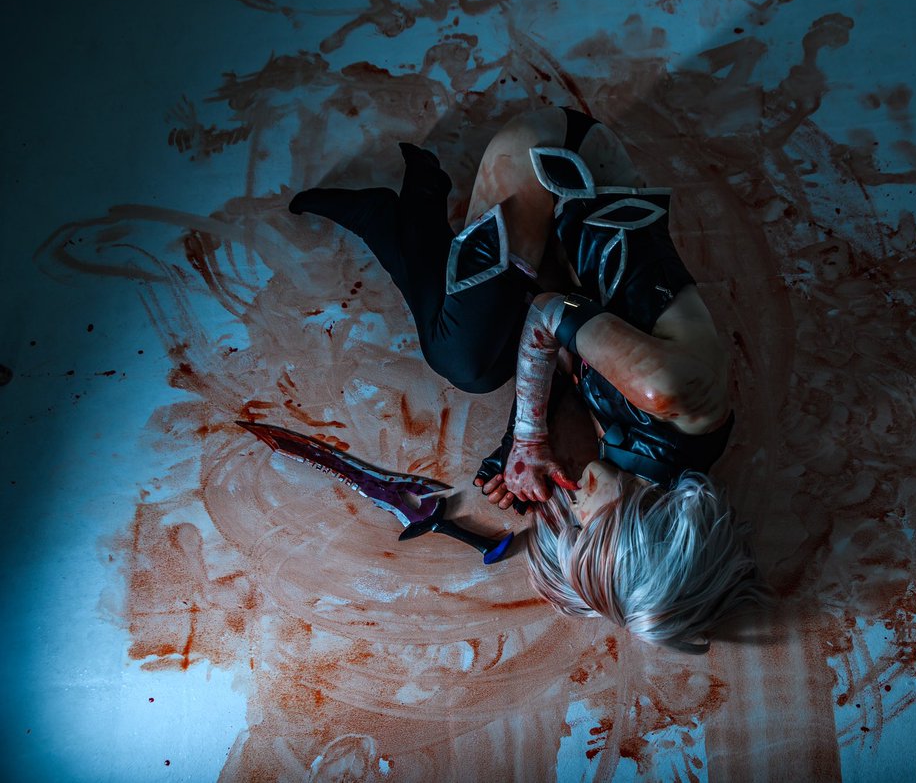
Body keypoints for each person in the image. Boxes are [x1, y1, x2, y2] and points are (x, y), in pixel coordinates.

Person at [289, 107, 768, 652]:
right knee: (461, 357)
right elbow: (547, 314)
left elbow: (567, 362)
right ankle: (393, 216)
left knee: (481, 365)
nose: (574, 513)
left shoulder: (656, 462)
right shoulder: (669, 394)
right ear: (639, 527)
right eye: (587, 526)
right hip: (556, 161)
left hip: (554, 251)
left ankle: (406, 210)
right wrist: (529, 436)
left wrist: (513, 452)